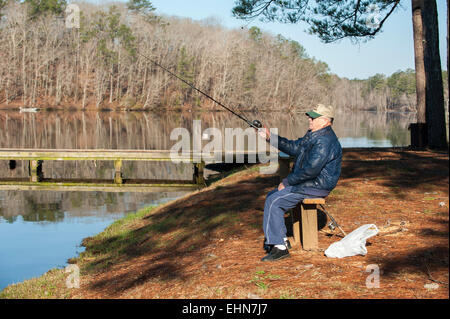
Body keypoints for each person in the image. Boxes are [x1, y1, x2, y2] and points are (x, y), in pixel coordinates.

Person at [257, 104, 342, 261]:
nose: (309, 119)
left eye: (313, 117)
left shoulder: (324, 141)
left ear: (324, 121)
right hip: (311, 183)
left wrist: (288, 182)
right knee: (273, 195)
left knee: (274, 200)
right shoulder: (314, 135)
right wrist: (270, 137)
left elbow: (311, 170)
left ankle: (280, 249)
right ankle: (280, 240)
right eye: (310, 116)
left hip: (317, 185)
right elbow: (294, 147)